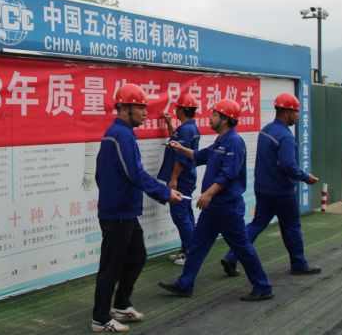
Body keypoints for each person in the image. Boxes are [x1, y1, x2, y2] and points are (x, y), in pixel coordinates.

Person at [158, 99, 274, 301]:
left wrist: (209, 193)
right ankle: (185, 284)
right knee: (197, 246)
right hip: (212, 209)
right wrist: (179, 147)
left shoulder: (234, 142)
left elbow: (229, 174)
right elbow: (200, 155)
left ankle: (262, 286)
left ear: (225, 119)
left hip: (228, 208)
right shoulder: (220, 141)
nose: (210, 117)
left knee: (243, 248)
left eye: (214, 114)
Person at [91, 83, 182, 333]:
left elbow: (104, 175)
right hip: (118, 213)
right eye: (140, 107)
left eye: (144, 107)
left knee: (137, 256)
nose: (145, 112)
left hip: (125, 212)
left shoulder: (122, 134)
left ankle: (121, 304)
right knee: (111, 267)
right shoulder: (121, 135)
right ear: (123, 109)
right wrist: (164, 192)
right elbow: (135, 173)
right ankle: (100, 318)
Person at [221, 93, 321, 278]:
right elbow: (287, 165)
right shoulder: (286, 136)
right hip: (282, 192)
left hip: (263, 190)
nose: (298, 116)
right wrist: (305, 177)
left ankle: (232, 256)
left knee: (257, 224)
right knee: (291, 227)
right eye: (296, 112)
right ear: (287, 112)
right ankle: (298, 264)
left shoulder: (265, 130)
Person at [157, 93, 201, 266]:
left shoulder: (185, 130)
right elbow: (176, 143)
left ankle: (190, 254)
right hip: (188, 178)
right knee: (186, 214)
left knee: (180, 216)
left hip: (182, 179)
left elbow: (181, 157)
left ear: (181, 110)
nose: (175, 111)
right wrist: (169, 124)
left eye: (177, 108)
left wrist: (174, 178)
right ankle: (187, 250)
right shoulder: (189, 128)